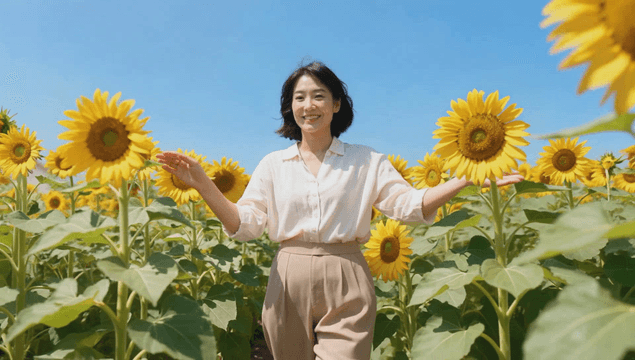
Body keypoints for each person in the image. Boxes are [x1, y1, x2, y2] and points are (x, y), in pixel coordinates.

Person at [156, 61, 524, 360]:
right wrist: (204, 185)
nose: (308, 105)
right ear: (291, 108)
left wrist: (470, 175)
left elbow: (409, 206)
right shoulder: (273, 164)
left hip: (347, 274)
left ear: (336, 105)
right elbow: (245, 225)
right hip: (288, 276)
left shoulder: (366, 161)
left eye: (319, 95)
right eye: (299, 97)